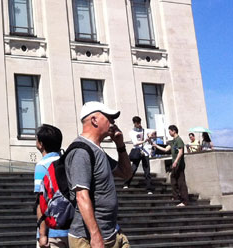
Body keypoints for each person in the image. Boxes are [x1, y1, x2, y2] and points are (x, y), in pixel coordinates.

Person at [40, 101, 131, 248]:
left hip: (111, 232)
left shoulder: (97, 150)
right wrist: (95, 236)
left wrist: (120, 145)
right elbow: (81, 196)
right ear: (94, 120)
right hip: (89, 238)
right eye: (109, 117)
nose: (113, 122)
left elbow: (126, 173)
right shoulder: (81, 152)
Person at [34, 124, 64, 247]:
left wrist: (42, 235)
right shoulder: (66, 161)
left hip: (52, 231)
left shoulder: (42, 166)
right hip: (71, 229)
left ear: (41, 144)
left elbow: (41, 201)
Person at [152, 124, 189, 206]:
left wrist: (175, 161)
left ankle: (185, 201)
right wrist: (156, 146)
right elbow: (165, 149)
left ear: (174, 131)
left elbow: (180, 152)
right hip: (175, 165)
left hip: (179, 164)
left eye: (170, 131)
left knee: (181, 182)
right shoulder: (173, 141)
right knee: (173, 180)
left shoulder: (179, 140)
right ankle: (176, 197)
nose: (169, 133)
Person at [123, 116, 153, 194]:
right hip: (137, 151)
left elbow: (153, 132)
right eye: (137, 123)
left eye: (139, 123)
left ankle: (149, 188)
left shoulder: (144, 130)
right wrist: (144, 140)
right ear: (134, 123)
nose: (138, 124)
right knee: (133, 168)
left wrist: (150, 135)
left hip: (145, 152)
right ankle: (126, 183)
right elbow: (135, 142)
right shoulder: (132, 132)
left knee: (147, 170)